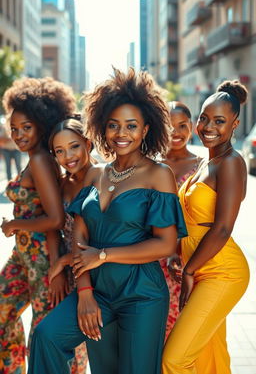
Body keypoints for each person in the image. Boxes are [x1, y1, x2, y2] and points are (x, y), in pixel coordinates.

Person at [27, 67, 187, 374]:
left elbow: (166, 244)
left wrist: (102, 256)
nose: (121, 134)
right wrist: (85, 292)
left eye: (131, 126)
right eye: (113, 125)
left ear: (145, 129)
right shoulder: (96, 174)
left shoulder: (158, 175)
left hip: (141, 294)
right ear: (102, 127)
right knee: (47, 337)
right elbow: (78, 237)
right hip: (97, 291)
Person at [162, 79, 250, 374]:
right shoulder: (205, 162)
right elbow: (188, 221)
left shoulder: (231, 163)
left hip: (221, 272)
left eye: (220, 121)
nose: (208, 126)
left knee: (174, 359)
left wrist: (188, 269)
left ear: (235, 124)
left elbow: (223, 229)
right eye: (204, 118)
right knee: (207, 358)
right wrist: (178, 254)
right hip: (198, 267)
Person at [0, 77, 76, 374]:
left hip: (44, 260)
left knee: (45, 333)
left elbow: (55, 219)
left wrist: (14, 224)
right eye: (14, 128)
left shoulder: (42, 160)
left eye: (26, 128)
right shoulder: (35, 158)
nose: (18, 135)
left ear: (43, 124)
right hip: (25, 256)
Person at [48, 117, 96, 373]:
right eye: (59, 151)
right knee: (64, 352)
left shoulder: (103, 177)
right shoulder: (62, 184)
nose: (68, 156)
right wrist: (58, 268)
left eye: (74, 146)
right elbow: (53, 229)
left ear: (88, 143)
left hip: (95, 271)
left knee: (89, 347)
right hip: (68, 274)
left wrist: (65, 260)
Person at [161, 101, 202, 338]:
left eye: (182, 125)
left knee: (182, 333)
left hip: (187, 258)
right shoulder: (151, 164)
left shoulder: (201, 166)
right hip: (154, 257)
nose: (175, 132)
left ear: (192, 127)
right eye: (169, 125)